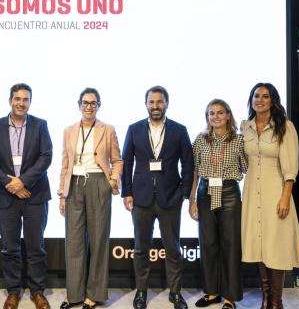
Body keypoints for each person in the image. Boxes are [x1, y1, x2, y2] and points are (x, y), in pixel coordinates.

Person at [121, 85, 194, 309]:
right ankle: (141, 292)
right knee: (141, 248)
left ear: (167, 104)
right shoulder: (133, 129)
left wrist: (183, 193)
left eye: (159, 102)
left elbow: (188, 164)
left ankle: (175, 292)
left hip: (170, 198)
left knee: (173, 248)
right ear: (146, 104)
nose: (155, 106)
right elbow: (127, 164)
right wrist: (127, 193)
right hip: (141, 199)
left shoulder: (179, 130)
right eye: (151, 102)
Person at [0, 83, 53, 309]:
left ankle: (37, 291)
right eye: (17, 99)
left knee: (36, 247)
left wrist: (23, 181)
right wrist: (11, 184)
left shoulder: (40, 125)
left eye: (25, 99)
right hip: (6, 197)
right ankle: (13, 291)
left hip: (35, 195)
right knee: (10, 248)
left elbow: (46, 157)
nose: (21, 103)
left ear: (30, 102)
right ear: (10, 100)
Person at [58, 88, 123, 309]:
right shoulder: (69, 130)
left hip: (98, 184)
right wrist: (62, 194)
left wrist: (112, 181)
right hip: (74, 185)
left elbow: (118, 160)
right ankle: (74, 294)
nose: (89, 107)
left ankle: (93, 294)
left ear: (98, 106)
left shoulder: (108, 129)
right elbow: (65, 164)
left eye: (93, 103)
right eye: (85, 103)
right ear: (79, 105)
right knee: (74, 242)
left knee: (98, 240)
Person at [241, 83, 299, 309]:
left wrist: (285, 196)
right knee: (258, 246)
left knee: (275, 246)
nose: (260, 100)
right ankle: (265, 298)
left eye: (265, 96)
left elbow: (290, 167)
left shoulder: (284, 127)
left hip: (275, 193)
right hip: (251, 195)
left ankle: (276, 302)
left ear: (273, 100)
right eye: (256, 96)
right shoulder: (245, 127)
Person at [188, 99, 247, 309]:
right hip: (205, 193)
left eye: (220, 113)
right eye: (211, 113)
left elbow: (248, 169)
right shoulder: (200, 140)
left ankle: (230, 298)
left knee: (230, 247)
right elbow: (194, 172)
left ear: (228, 115)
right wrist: (192, 200)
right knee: (208, 245)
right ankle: (212, 293)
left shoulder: (239, 140)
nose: (216, 117)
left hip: (229, 193)